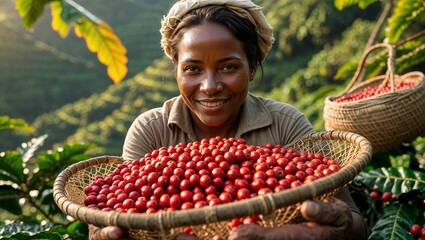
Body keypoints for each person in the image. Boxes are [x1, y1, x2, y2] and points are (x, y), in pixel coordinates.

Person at [89, 0, 368, 239]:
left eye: (228, 67)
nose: (210, 85)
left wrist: (331, 230)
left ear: (252, 66)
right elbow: (123, 204)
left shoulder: (286, 125)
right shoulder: (151, 131)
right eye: (192, 69)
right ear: (175, 69)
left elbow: (353, 222)